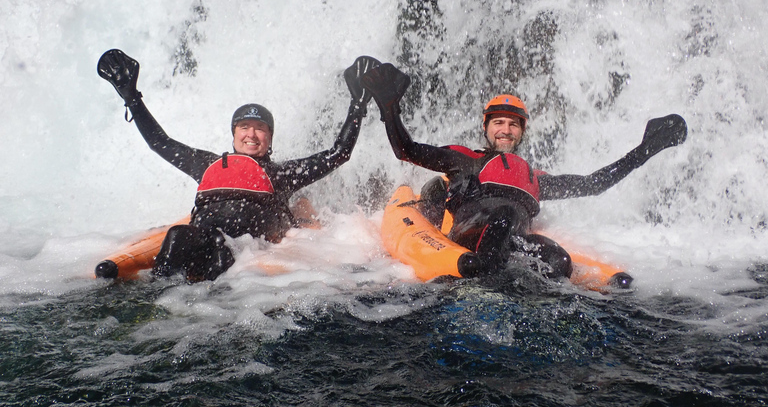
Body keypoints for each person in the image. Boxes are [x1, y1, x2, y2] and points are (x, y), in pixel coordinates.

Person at [361, 62, 687, 281]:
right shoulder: (465, 159)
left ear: (522, 132)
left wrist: (646, 150)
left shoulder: (534, 177)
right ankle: (479, 287)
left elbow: (594, 183)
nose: (506, 130)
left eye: (513, 124)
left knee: (559, 261)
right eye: (498, 123)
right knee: (502, 214)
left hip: (514, 239)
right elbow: (407, 149)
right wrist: (390, 110)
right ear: (486, 127)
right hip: (473, 232)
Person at [95, 49, 377, 281]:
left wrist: (357, 104)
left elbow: (338, 154)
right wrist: (131, 97)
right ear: (233, 134)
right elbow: (160, 142)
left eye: (260, 129)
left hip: (246, 250)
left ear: (270, 139)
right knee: (178, 235)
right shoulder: (206, 164)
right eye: (244, 127)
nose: (251, 134)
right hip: (203, 238)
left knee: (221, 254)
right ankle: (157, 304)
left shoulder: (282, 174)